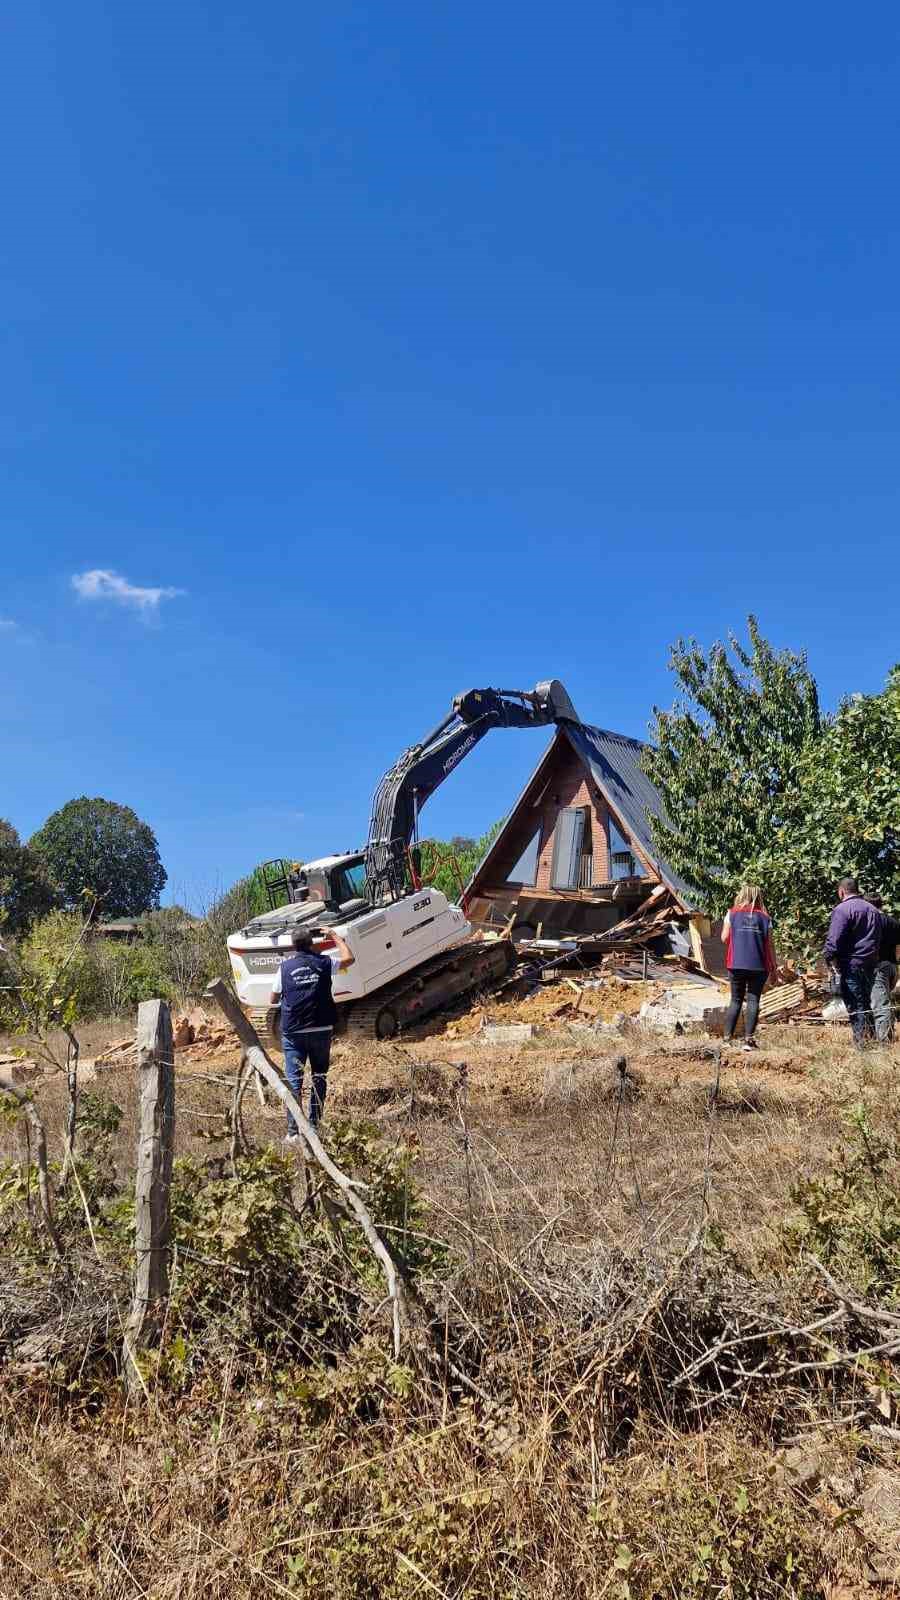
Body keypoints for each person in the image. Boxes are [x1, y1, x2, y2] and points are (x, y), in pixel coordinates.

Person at [270, 926, 353, 1138]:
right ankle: (314, 1126)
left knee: (294, 1081)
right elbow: (349, 959)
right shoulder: (325, 962)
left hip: (294, 1030)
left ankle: (293, 1132)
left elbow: (272, 999)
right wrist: (334, 935)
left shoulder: (284, 968)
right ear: (312, 943)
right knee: (319, 1076)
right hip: (322, 1027)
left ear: (293, 946)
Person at [823, 877, 882, 1047]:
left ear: (842, 891)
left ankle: (862, 1044)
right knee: (865, 1002)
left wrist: (828, 956)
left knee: (855, 1004)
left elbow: (834, 939)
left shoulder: (842, 910)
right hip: (870, 963)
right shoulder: (873, 910)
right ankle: (871, 1040)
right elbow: (878, 938)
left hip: (851, 964)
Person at [720, 882, 779, 1050]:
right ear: (758, 897)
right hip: (759, 966)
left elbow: (724, 938)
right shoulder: (765, 918)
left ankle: (726, 1040)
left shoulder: (731, 913)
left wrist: (739, 939)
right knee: (753, 1000)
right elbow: (770, 945)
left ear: (742, 895)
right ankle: (748, 1041)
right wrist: (774, 969)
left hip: (736, 963)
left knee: (736, 1000)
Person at [867, 894, 900, 1044]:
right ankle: (887, 1036)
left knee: (880, 1005)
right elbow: (898, 947)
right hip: (892, 966)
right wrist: (896, 965)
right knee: (885, 1001)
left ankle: (884, 1043)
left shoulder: (871, 922)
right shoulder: (893, 922)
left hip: (878, 967)